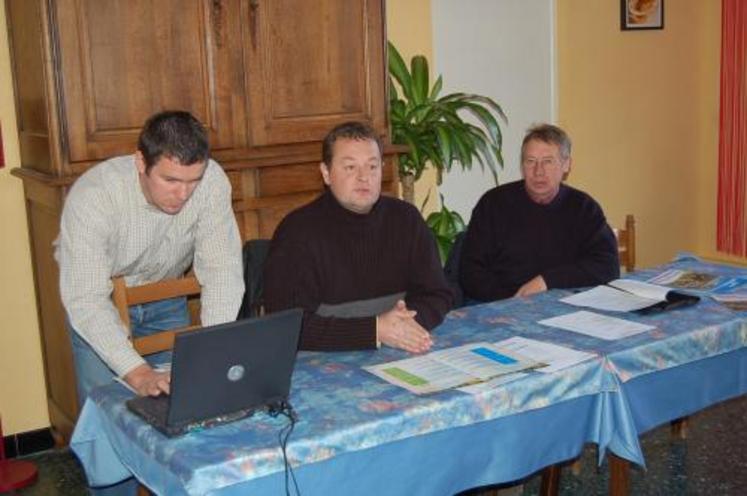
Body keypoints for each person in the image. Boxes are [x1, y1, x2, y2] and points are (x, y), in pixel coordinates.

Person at [57, 110, 245, 404]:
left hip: (165, 299)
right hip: (100, 305)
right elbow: (86, 299)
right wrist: (139, 373)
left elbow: (223, 269)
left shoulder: (211, 181)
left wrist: (211, 347)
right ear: (141, 162)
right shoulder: (93, 196)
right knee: (107, 412)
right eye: (170, 180)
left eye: (192, 180)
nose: (183, 193)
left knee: (181, 403)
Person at [263, 121, 453, 353]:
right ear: (326, 173)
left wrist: (404, 325)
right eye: (350, 167)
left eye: (372, 167)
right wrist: (374, 330)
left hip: (400, 346)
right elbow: (288, 326)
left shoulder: (406, 219)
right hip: (324, 360)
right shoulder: (297, 233)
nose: (364, 177)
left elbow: (438, 293)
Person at [459, 123, 619, 302]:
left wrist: (547, 281)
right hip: (503, 304)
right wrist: (513, 300)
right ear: (522, 165)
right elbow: (470, 271)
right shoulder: (493, 204)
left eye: (548, 162)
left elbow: (607, 266)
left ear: (566, 165)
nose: (538, 172)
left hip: (564, 306)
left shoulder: (583, 208)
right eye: (530, 161)